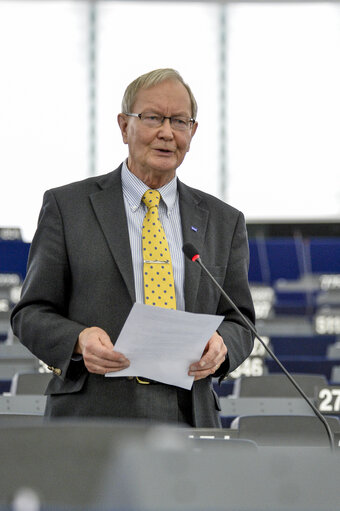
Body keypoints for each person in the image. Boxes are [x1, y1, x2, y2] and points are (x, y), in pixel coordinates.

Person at [11, 68, 255, 427]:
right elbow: (30, 313)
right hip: (92, 416)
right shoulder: (68, 207)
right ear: (125, 126)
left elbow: (241, 320)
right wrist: (77, 340)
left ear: (193, 131)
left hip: (189, 417)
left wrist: (223, 344)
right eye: (153, 118)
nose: (167, 132)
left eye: (179, 121)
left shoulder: (224, 221)